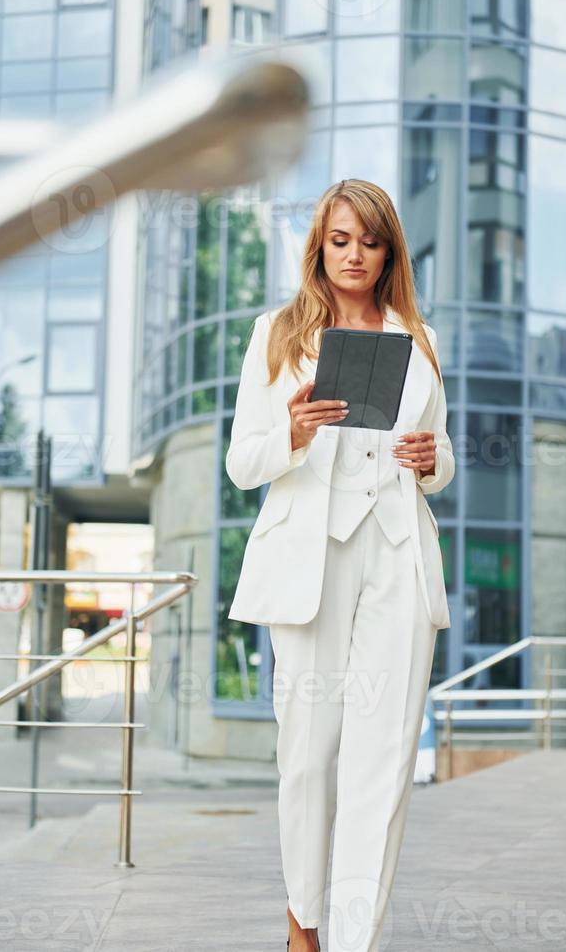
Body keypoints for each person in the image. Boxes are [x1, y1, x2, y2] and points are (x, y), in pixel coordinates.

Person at [225, 179, 455, 952]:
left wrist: (431, 460)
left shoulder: (420, 338)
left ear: (390, 250)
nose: (355, 255)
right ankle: (304, 926)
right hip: (310, 557)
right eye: (340, 240)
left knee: (383, 761)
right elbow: (242, 463)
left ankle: (357, 939)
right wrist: (290, 432)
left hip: (397, 552)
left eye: (371, 241)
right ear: (320, 246)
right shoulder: (277, 333)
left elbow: (442, 453)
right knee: (309, 755)